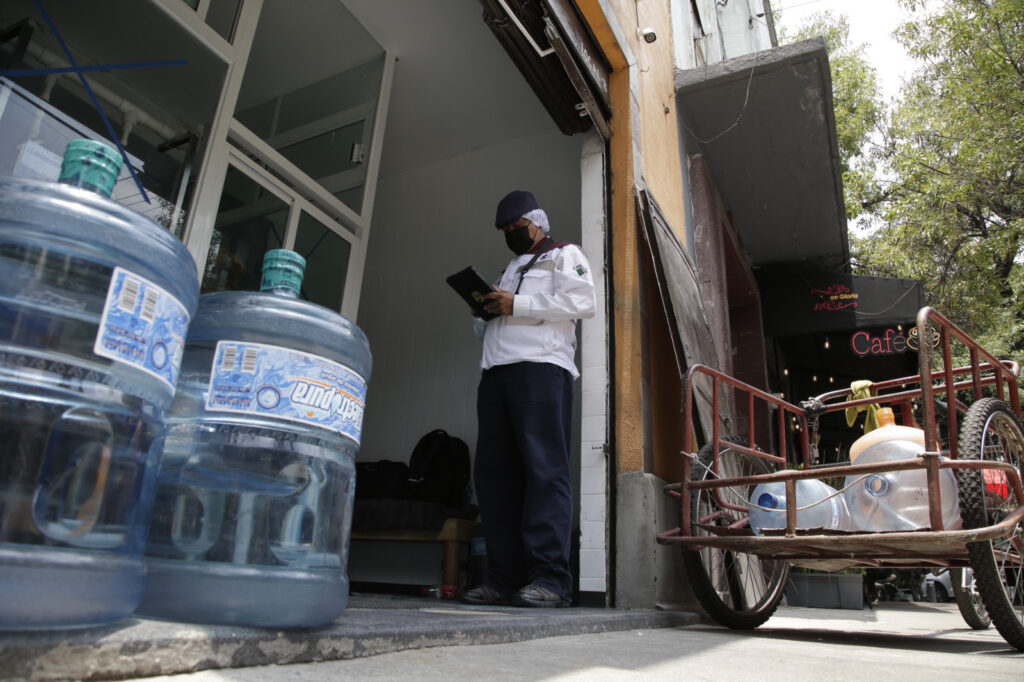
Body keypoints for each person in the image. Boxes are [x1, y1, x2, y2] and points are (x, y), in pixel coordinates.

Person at [460, 190, 596, 608]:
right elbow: (496, 323)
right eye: (505, 230)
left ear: (538, 222)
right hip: (496, 374)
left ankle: (551, 580)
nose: (511, 235)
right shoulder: (509, 270)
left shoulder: (564, 254)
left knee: (544, 472)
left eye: (516, 228)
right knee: (496, 478)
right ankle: (502, 579)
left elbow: (583, 301)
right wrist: (484, 310)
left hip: (540, 370)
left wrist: (515, 303)